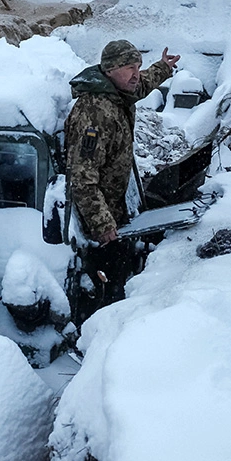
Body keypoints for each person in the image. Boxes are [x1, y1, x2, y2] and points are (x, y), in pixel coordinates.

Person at [64, 39, 179, 322]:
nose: (136, 73)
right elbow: (82, 178)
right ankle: (100, 329)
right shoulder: (95, 114)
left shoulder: (117, 90)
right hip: (97, 225)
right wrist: (103, 225)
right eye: (130, 67)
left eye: (137, 66)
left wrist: (163, 68)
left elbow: (139, 86)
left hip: (115, 209)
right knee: (109, 283)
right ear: (110, 70)